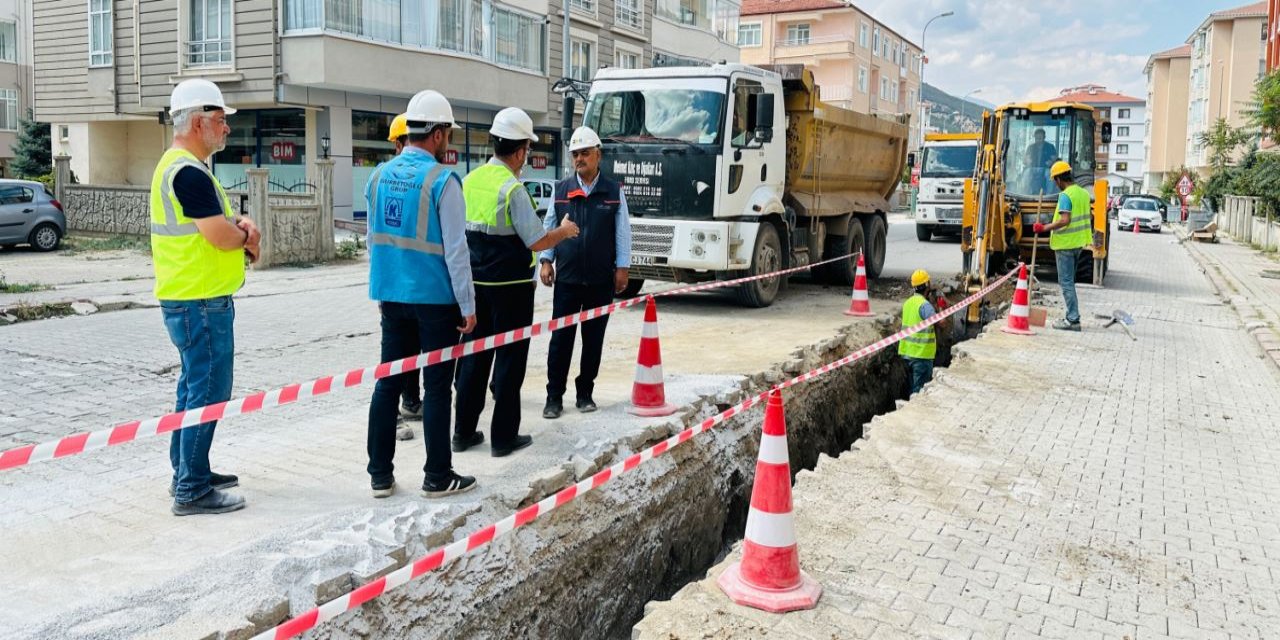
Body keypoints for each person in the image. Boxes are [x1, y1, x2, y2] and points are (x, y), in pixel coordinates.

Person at [151, 79, 259, 516]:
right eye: (220, 121)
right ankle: (192, 488)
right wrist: (248, 236)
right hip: (200, 300)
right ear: (197, 122)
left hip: (189, 297)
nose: (226, 129)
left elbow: (216, 223)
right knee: (210, 391)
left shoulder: (180, 166)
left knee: (192, 388)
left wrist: (239, 227)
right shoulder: (188, 171)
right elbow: (217, 235)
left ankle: (187, 469)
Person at [365, 90, 478, 498]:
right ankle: (437, 475)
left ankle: (379, 475)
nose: (449, 141)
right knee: (435, 387)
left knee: (388, 383)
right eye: (448, 133)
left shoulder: (378, 176)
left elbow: (371, 240)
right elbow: (456, 250)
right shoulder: (443, 180)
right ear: (437, 133)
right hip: (434, 302)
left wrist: (385, 284)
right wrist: (468, 306)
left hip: (391, 297)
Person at [454, 108, 579, 457]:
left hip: (475, 288)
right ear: (521, 150)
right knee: (509, 361)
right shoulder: (513, 190)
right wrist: (565, 232)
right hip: (510, 291)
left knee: (474, 360)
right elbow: (537, 241)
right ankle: (504, 438)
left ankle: (462, 433)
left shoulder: (469, 180)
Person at [540, 126, 632, 419]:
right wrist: (545, 260)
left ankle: (585, 393)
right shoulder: (561, 190)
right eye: (575, 154)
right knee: (561, 340)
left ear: (598, 155)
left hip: (600, 280)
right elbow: (549, 228)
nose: (579, 158)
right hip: (567, 279)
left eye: (585, 153)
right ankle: (554, 397)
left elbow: (623, 233)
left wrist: (622, 268)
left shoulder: (613, 192)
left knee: (593, 340)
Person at [381, 113, 427, 423]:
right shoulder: (388, 178)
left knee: (412, 348)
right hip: (403, 282)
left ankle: (411, 400)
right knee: (396, 353)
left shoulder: (395, 178)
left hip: (403, 282)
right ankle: (395, 410)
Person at [1033, 160, 1091, 332]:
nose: (1055, 184)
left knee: (1065, 283)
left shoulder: (1066, 195)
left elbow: (1065, 220)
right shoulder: (1083, 193)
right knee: (1070, 282)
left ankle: (1073, 319)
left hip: (1065, 244)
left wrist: (1043, 228)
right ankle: (1071, 316)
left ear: (1059, 179)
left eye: (1055, 181)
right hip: (1078, 243)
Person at [899, 269, 937, 397]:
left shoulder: (907, 303)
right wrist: (943, 309)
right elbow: (941, 324)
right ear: (926, 285)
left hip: (907, 354)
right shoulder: (925, 306)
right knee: (919, 392)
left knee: (911, 387)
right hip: (921, 356)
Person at [1025, 129, 1059, 193]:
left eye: (1040, 138)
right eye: (1037, 138)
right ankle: (1026, 193)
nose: (1038, 140)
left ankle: (1049, 195)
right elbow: (1026, 159)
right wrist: (1027, 161)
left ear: (1044, 137)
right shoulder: (1031, 147)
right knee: (1026, 174)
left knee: (1049, 175)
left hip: (1046, 168)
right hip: (1033, 168)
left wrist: (1051, 162)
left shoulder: (1050, 147)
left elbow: (1055, 159)